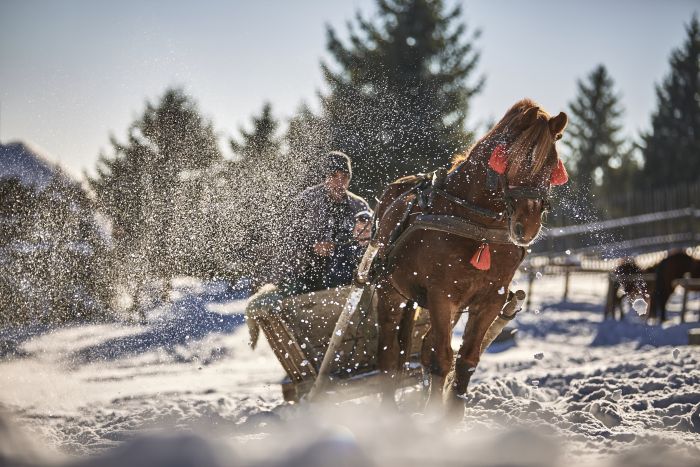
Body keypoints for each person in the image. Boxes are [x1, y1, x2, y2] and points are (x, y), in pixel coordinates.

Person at [282, 151, 370, 294]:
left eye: (345, 177)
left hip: (346, 275)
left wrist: (359, 243)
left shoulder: (359, 206)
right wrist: (312, 248)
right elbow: (287, 237)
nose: (340, 183)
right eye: (334, 176)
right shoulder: (306, 200)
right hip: (306, 272)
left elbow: (370, 243)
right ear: (325, 177)